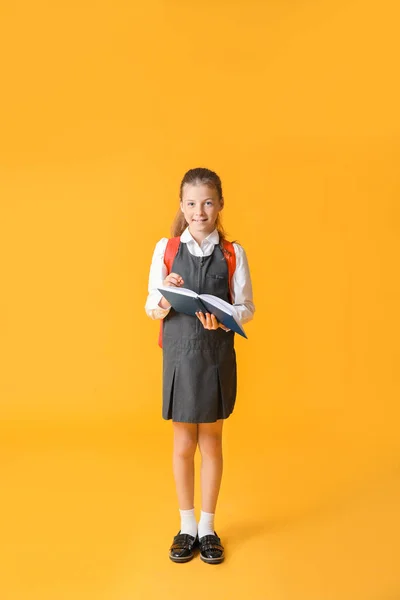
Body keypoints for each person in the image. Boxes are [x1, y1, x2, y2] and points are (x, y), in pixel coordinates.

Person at [145, 167, 255, 564]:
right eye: (191, 203)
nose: (199, 211)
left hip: (214, 353)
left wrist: (225, 317)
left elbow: (246, 307)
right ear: (181, 206)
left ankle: (208, 527)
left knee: (211, 443)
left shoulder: (232, 253)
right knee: (183, 444)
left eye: (208, 202)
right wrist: (168, 294)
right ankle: (186, 526)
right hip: (179, 354)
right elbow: (150, 308)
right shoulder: (166, 250)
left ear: (220, 204)